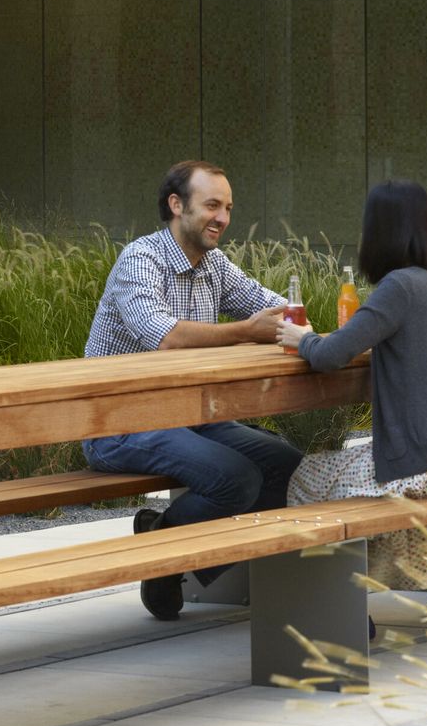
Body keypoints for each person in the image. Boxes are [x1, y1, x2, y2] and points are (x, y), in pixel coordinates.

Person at [82, 160, 301, 621]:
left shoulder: (214, 264)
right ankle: (165, 560)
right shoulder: (140, 260)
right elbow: (164, 336)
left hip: (192, 414)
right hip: (119, 423)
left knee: (286, 465)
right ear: (176, 205)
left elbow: (276, 310)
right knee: (235, 478)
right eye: (212, 205)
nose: (222, 217)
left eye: (228, 207)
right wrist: (246, 330)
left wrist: (290, 319)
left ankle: (170, 546)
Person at [276, 181, 427, 590]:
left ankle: (329, 600)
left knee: (305, 476)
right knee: (375, 477)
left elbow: (330, 355)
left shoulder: (399, 287)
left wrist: (301, 338)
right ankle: (392, 578)